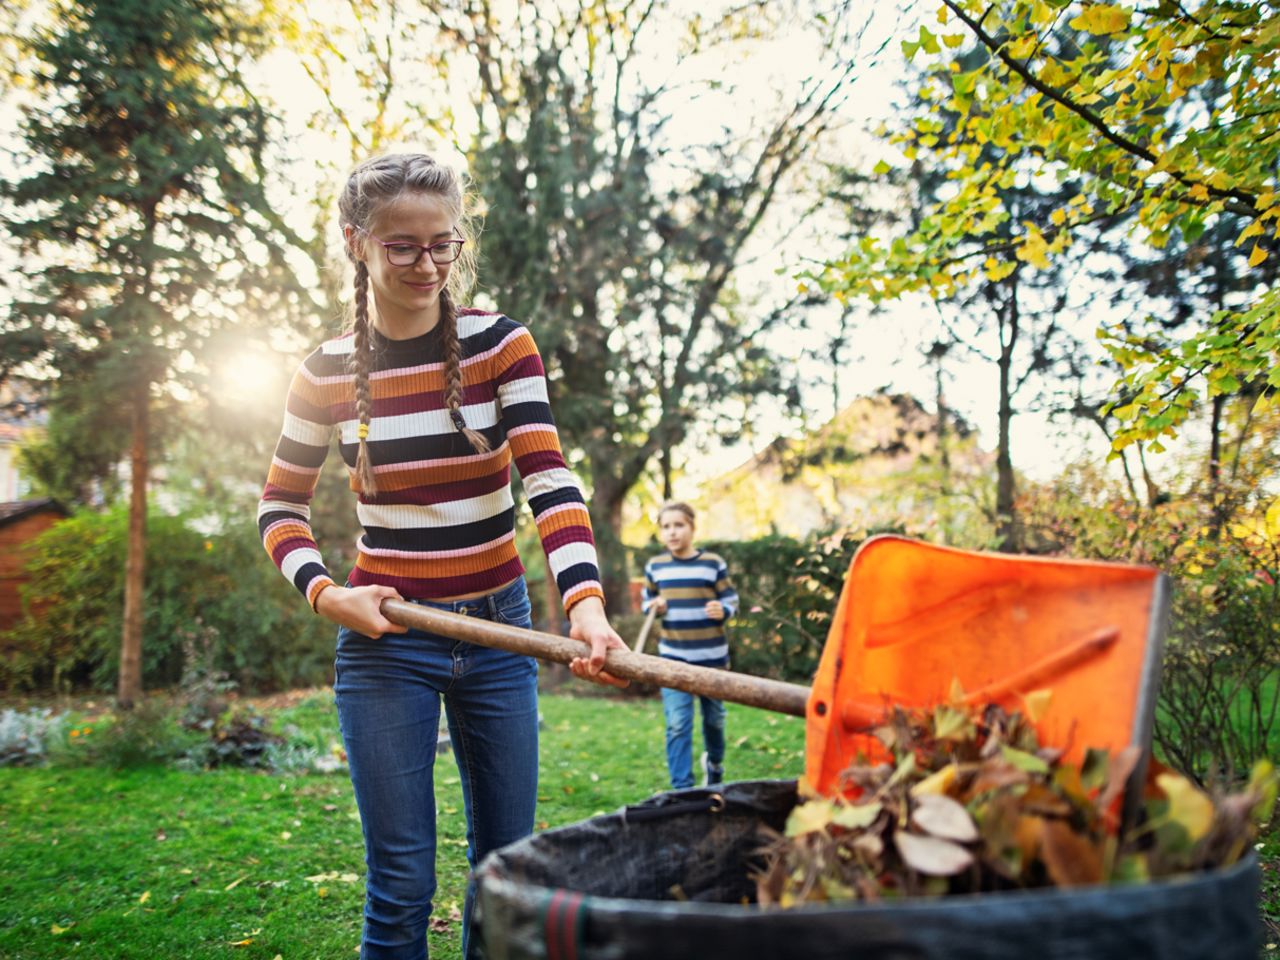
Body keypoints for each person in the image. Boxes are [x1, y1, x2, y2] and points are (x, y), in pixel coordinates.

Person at [257, 151, 626, 960]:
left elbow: (551, 482)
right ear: (358, 242)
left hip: (500, 634)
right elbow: (278, 506)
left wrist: (586, 605)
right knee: (399, 884)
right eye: (403, 247)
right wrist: (326, 595)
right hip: (387, 643)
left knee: (505, 877)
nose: (427, 264)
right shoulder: (322, 372)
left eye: (443, 245)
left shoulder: (502, 345)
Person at [641, 501, 739, 789]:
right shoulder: (655, 566)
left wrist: (724, 610)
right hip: (672, 660)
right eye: (666, 527)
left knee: (715, 721)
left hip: (712, 659)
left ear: (692, 528)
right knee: (677, 724)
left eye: (679, 525)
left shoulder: (712, 564)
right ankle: (682, 789)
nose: (672, 532)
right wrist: (654, 606)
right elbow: (648, 601)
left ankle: (715, 765)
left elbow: (731, 599)